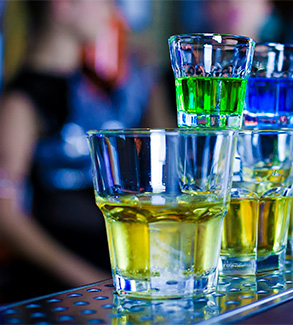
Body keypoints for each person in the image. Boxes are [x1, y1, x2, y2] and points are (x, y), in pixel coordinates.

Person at [0, 0, 173, 301]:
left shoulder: (98, 86)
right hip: (63, 289)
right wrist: (92, 284)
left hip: (121, 272)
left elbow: (166, 151)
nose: (112, 12)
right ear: (64, 6)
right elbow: (5, 216)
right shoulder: (21, 103)